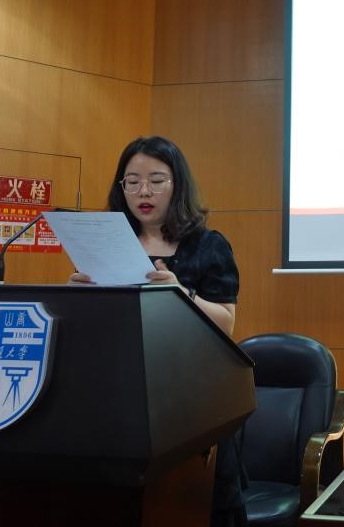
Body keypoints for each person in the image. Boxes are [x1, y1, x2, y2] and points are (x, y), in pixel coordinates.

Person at [70, 135, 246, 527]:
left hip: (190, 402)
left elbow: (226, 323)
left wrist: (180, 293)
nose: (143, 192)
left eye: (156, 180)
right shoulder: (106, 245)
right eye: (132, 182)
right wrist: (79, 295)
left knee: (192, 508)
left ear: (177, 184)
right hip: (120, 399)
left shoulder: (207, 245)